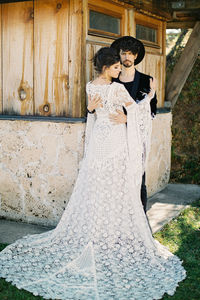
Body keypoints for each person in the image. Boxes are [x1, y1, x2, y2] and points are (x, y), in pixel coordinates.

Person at [0, 47, 186, 300]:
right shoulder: (118, 89)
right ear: (107, 67)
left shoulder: (90, 86)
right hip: (116, 142)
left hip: (99, 142)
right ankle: (110, 231)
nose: (121, 70)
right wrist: (147, 98)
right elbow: (139, 111)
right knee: (116, 186)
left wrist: (95, 110)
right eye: (118, 67)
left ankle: (96, 228)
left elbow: (95, 114)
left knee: (98, 184)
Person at [110, 36, 157, 214]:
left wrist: (129, 119)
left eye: (131, 53)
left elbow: (151, 112)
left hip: (137, 139)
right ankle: (120, 216)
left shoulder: (146, 81)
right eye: (124, 53)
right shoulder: (112, 81)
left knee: (138, 178)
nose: (127, 57)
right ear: (119, 55)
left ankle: (140, 218)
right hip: (115, 138)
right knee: (117, 179)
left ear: (136, 56)